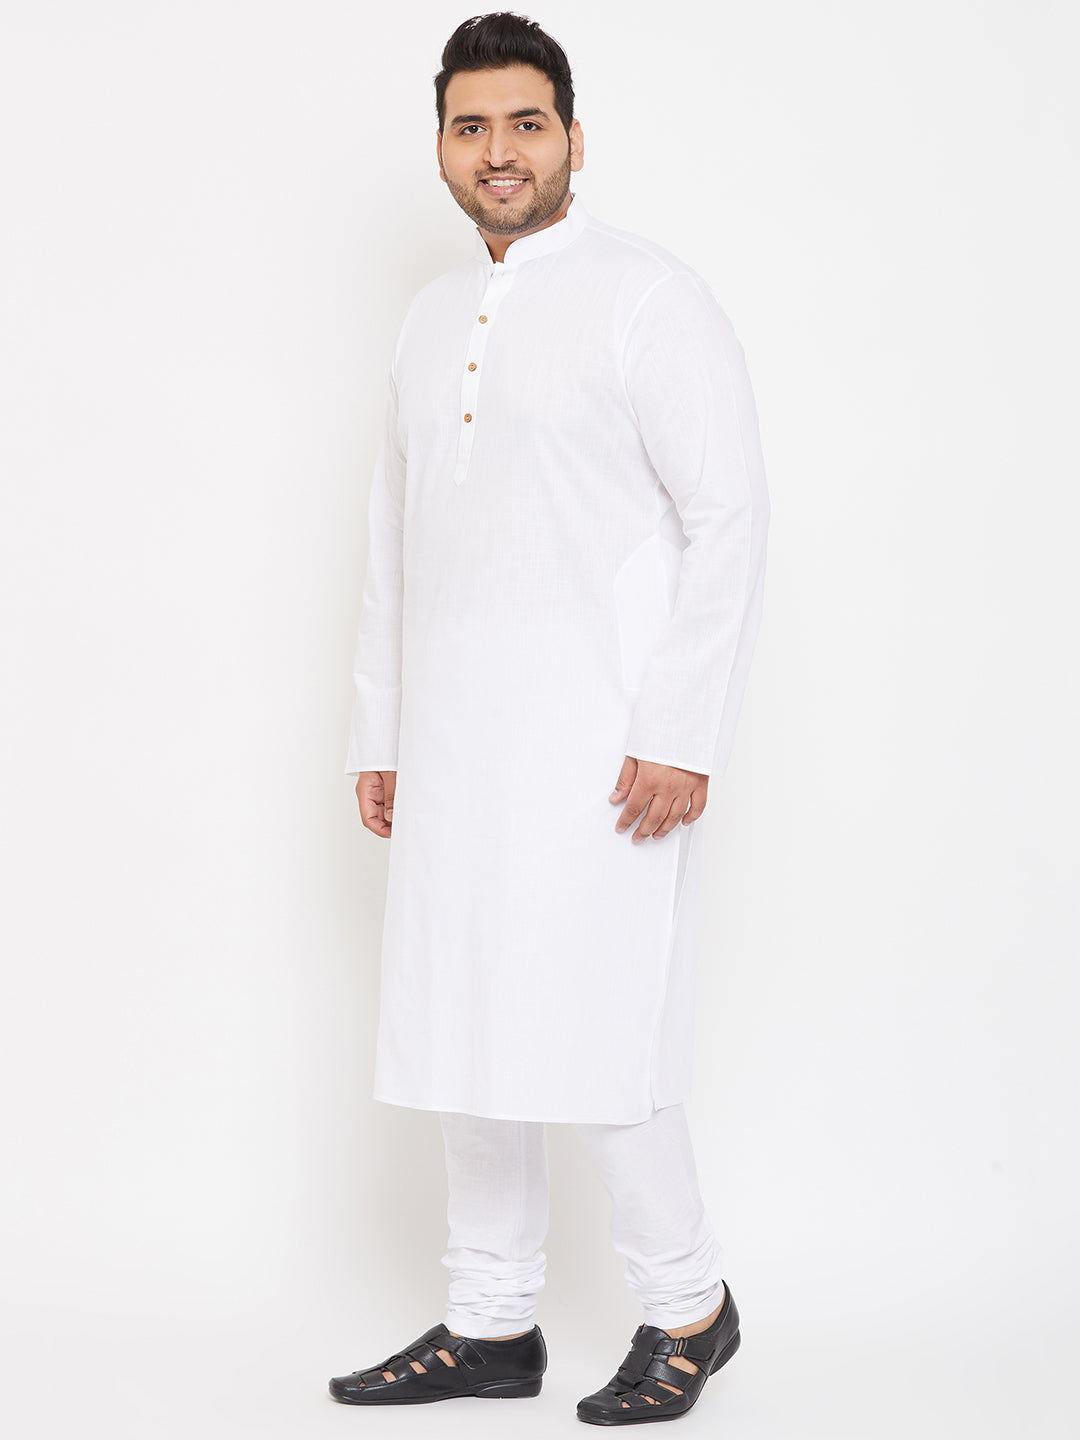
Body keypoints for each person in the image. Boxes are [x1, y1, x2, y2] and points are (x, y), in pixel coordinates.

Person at [331, 10, 770, 1425]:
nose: (500, 151)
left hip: (606, 752)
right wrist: (382, 734)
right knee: (466, 1025)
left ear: (576, 138)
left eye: (526, 123)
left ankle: (690, 1305)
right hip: (457, 745)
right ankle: (490, 1323)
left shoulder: (648, 297)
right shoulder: (428, 318)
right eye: (472, 127)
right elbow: (396, 539)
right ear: (442, 150)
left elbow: (730, 515)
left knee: (598, 1029)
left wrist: (683, 729)